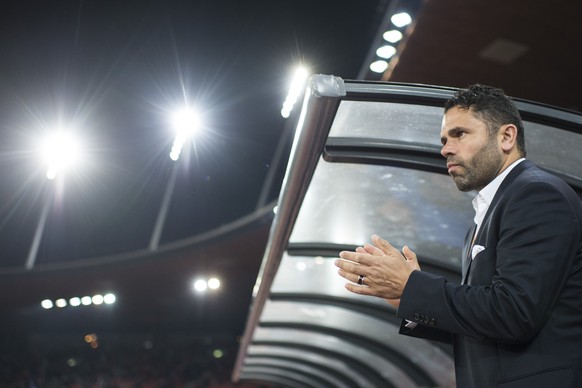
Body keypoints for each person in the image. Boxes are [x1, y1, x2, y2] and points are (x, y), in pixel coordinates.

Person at [334, 84, 582, 387]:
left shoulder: (536, 195)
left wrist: (415, 286)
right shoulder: (482, 220)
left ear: (506, 137)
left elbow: (514, 313)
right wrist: (405, 299)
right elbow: (485, 326)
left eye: (460, 134)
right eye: (444, 139)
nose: (445, 149)